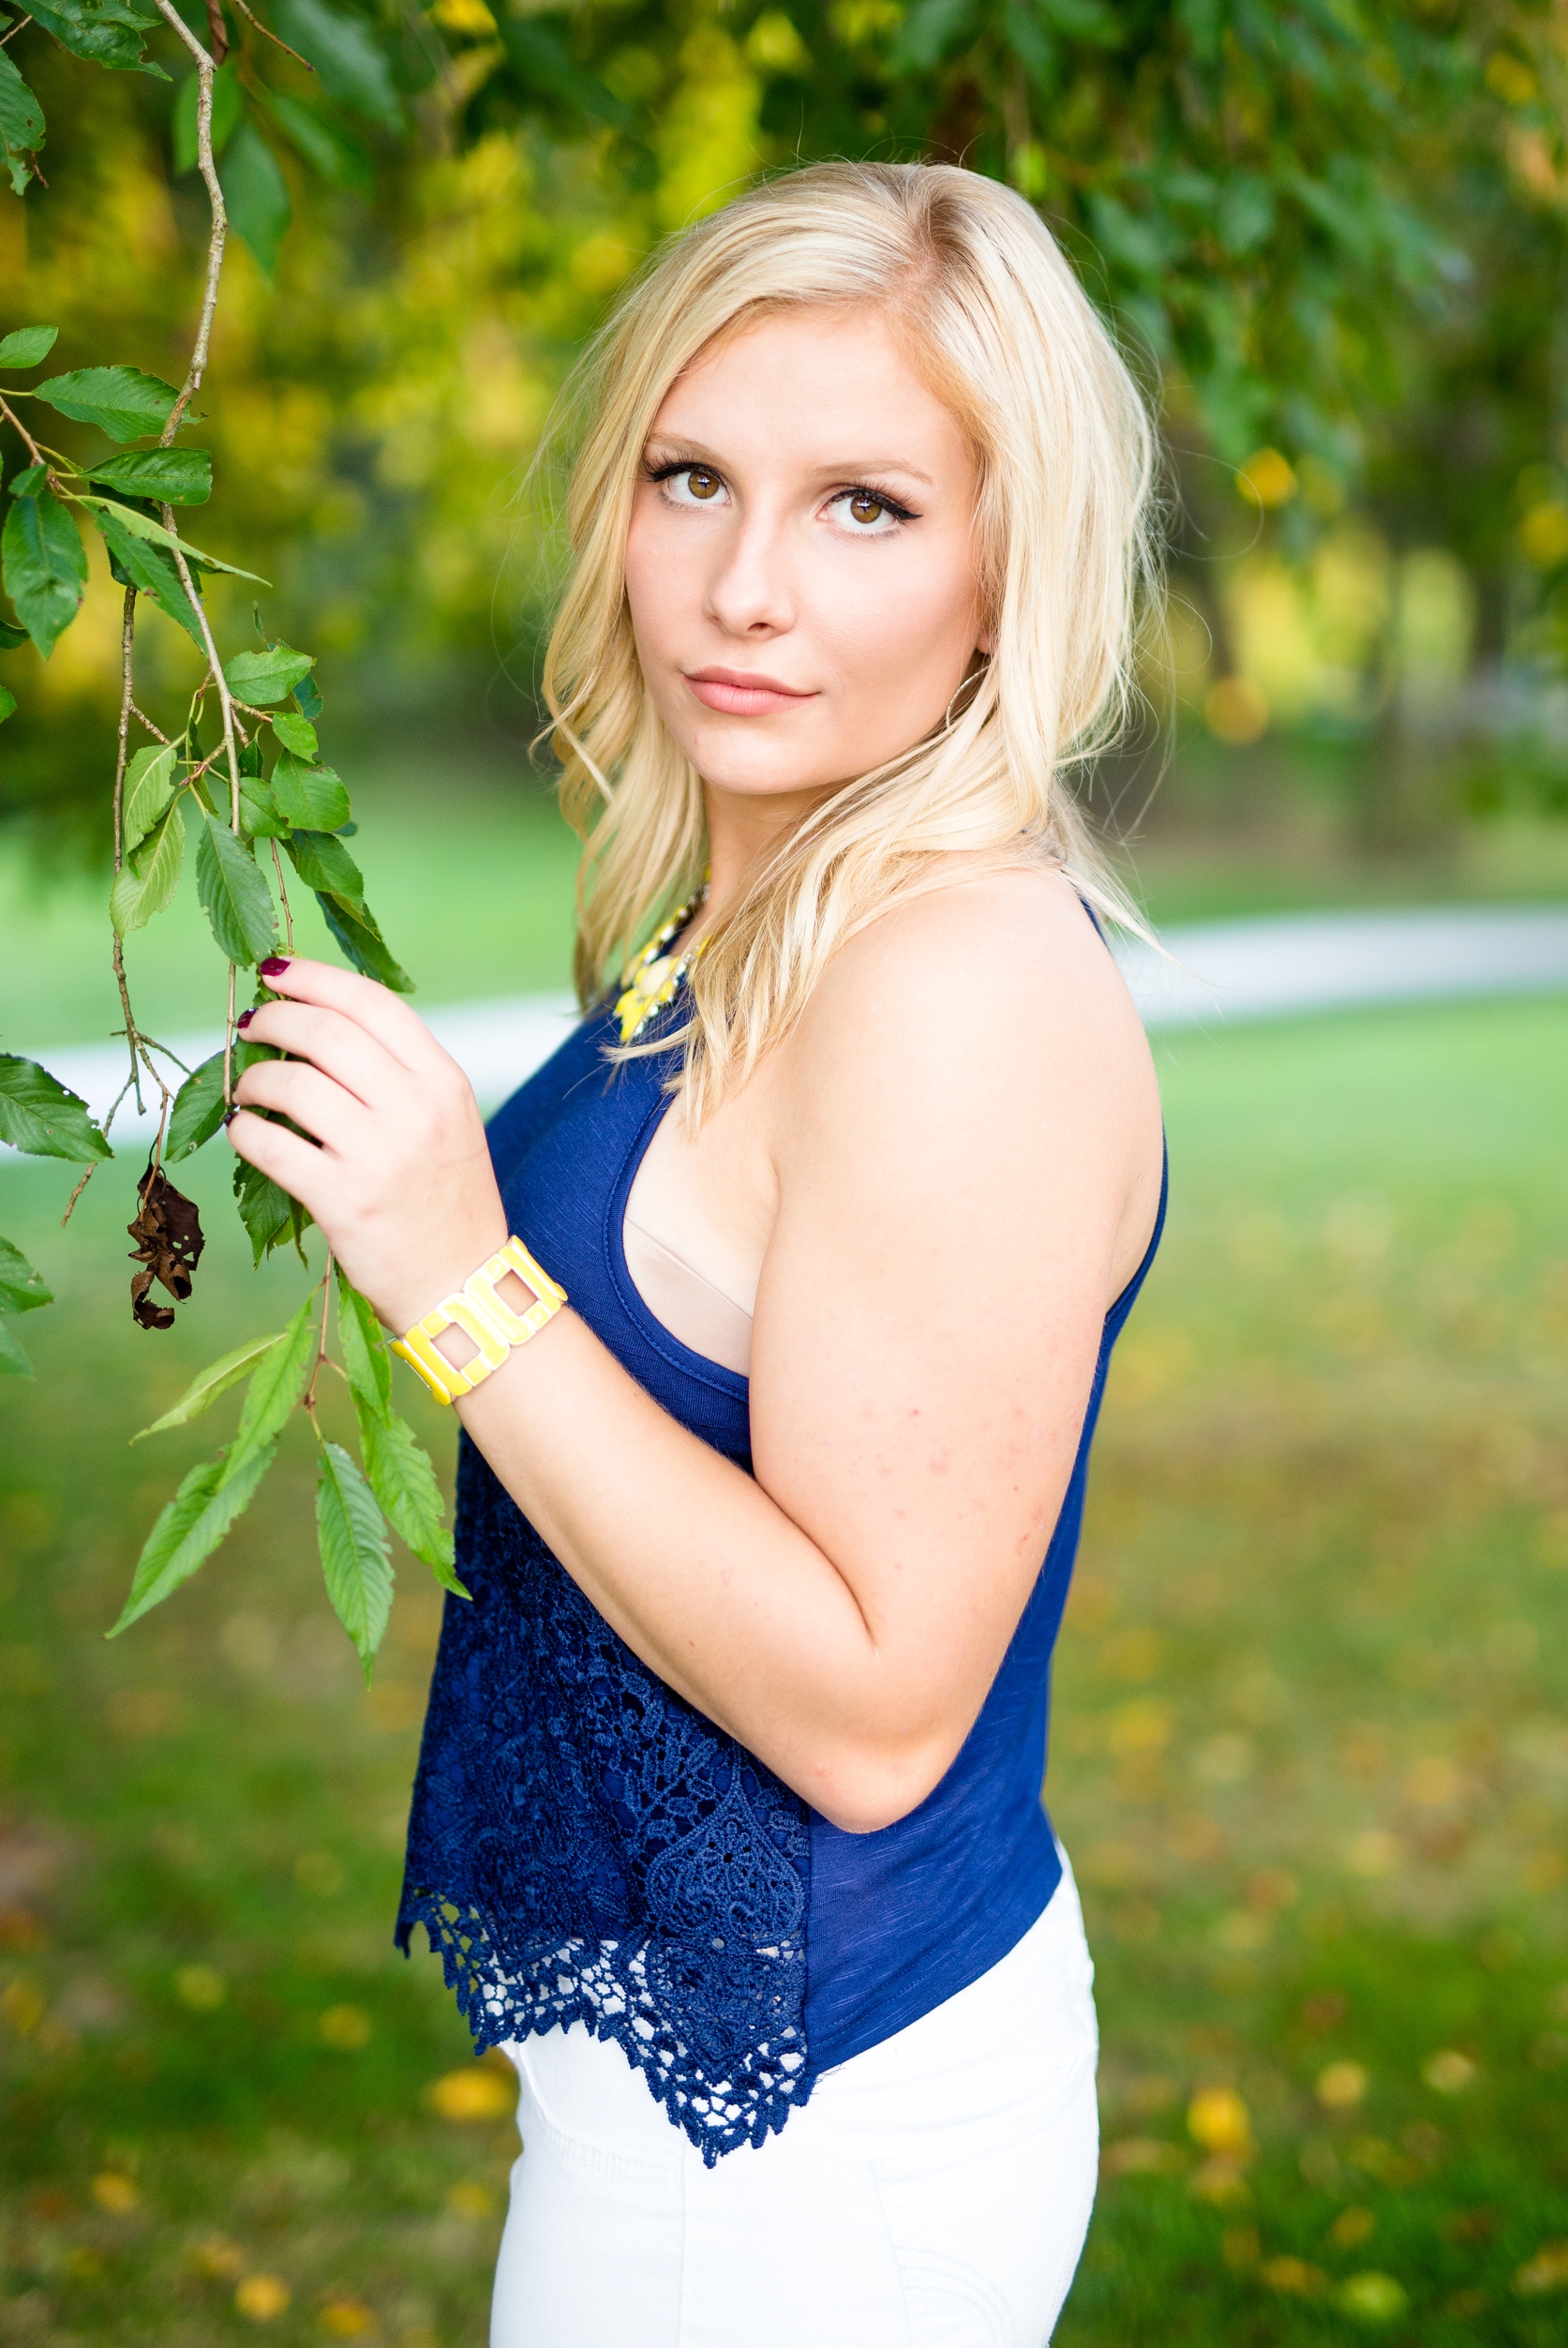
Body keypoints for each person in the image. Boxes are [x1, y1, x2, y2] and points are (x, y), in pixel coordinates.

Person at [226, 160, 1167, 2347]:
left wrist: (456, 1267)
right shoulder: (746, 905)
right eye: (691, 478)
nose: (746, 585)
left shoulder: (956, 987)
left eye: (865, 507)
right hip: (702, 2113)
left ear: (1004, 565)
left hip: (808, 2156)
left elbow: (867, 1718)